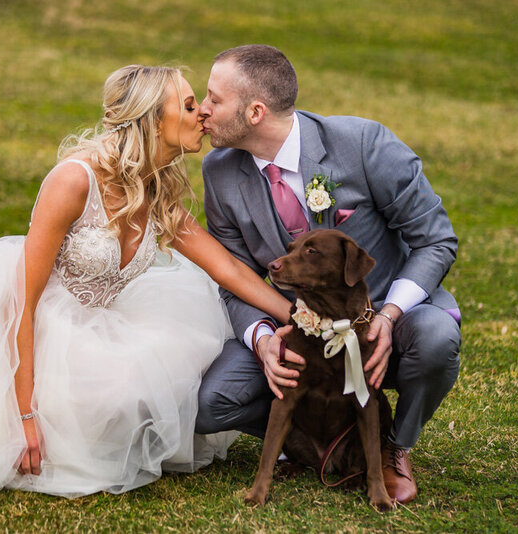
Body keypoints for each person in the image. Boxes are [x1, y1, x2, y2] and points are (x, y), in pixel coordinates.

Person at [0, 65, 292, 497]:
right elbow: (21, 301)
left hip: (102, 324)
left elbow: (225, 269)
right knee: (113, 396)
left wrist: (301, 316)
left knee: (169, 364)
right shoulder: (74, 180)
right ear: (151, 119)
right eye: (188, 105)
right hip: (30, 328)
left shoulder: (157, 188)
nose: (202, 115)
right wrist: (24, 418)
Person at [194, 45, 462, 504]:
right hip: (298, 335)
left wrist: (390, 315)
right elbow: (235, 275)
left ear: (255, 112)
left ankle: (389, 448)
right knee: (213, 402)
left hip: (379, 323)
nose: (202, 109)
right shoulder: (220, 171)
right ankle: (309, 440)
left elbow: (436, 240)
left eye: (214, 99)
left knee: (436, 338)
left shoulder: (363, 144)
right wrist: (262, 339)